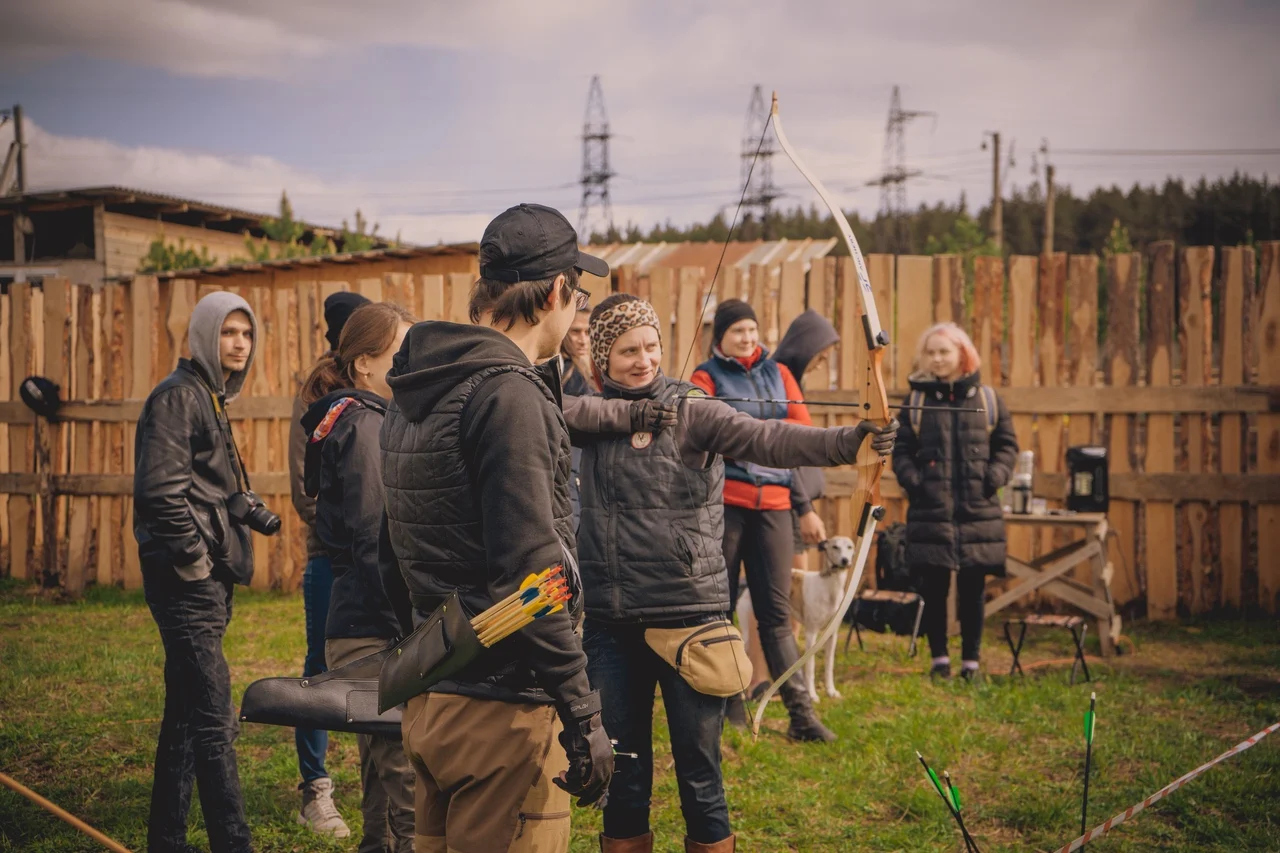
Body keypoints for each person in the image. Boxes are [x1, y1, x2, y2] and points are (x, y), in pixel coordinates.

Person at [565, 294, 898, 852]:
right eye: (626, 351)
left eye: (651, 347)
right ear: (601, 358)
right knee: (623, 778)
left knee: (701, 778)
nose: (644, 360)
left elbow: (770, 437)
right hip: (611, 621)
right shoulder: (584, 414)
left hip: (689, 618)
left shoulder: (692, 409)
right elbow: (552, 408)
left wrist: (847, 442)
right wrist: (627, 415)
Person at [379, 203, 620, 852]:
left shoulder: (421, 384)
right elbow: (535, 580)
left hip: (434, 699)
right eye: (579, 293)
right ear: (558, 292)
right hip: (504, 714)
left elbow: (387, 547)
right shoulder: (505, 393)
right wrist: (583, 711)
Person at [134, 292, 272, 853]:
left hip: (208, 578)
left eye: (246, 334)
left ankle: (166, 840)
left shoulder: (207, 396)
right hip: (185, 579)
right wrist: (195, 561)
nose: (239, 343)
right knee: (217, 722)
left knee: (188, 715)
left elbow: (201, 488)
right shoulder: (177, 398)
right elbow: (160, 496)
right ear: (202, 336)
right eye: (228, 333)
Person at [299, 302, 417, 853]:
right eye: (401, 354)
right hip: (374, 620)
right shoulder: (366, 426)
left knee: (381, 765)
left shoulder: (357, 416)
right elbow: (373, 533)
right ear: (365, 363)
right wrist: (407, 624)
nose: (411, 365)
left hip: (359, 614)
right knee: (404, 774)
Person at [690, 299, 834, 742]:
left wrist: (801, 505)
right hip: (726, 504)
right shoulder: (705, 377)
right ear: (721, 339)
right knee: (722, 604)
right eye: (738, 331)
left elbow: (801, 437)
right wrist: (762, 437)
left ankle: (801, 714)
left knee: (775, 612)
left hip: (773, 505)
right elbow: (703, 431)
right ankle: (729, 701)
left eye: (752, 330)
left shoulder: (781, 374)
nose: (747, 338)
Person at [891, 322, 1018, 681]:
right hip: (931, 508)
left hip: (977, 509)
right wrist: (915, 483)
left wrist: (993, 478)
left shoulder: (987, 400)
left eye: (944, 351)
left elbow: (1007, 446)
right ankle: (939, 660)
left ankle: (971, 662)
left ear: (962, 354)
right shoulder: (915, 402)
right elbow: (900, 450)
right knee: (934, 587)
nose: (937, 358)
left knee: (973, 588)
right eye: (930, 352)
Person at [286, 290, 369, 838]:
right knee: (321, 670)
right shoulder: (320, 394)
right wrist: (347, 538)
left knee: (381, 667)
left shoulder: (388, 389)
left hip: (380, 558)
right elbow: (304, 489)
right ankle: (315, 792)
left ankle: (381, 779)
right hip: (333, 559)